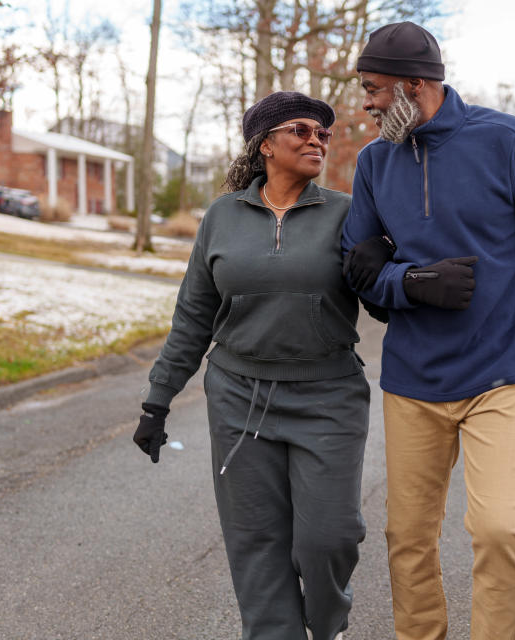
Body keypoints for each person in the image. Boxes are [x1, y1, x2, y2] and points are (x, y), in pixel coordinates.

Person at [341, 22, 515, 640]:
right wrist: (408, 283)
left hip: (500, 378)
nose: (367, 103)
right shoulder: (375, 163)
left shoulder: (508, 141)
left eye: (373, 88)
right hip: (411, 383)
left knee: (498, 531)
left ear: (414, 85)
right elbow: (357, 267)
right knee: (406, 536)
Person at [133, 91, 368, 640]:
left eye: (323, 133)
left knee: (329, 538)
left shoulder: (347, 212)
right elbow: (194, 314)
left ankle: (327, 623)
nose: (318, 140)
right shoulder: (222, 216)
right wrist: (157, 400)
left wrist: (393, 272)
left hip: (328, 397)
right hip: (241, 398)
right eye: (302, 131)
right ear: (265, 144)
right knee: (256, 542)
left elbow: (379, 296)